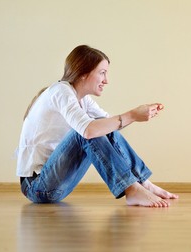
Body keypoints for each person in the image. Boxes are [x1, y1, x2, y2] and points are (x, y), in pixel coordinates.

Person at [16, 45, 178, 207]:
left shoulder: (82, 99)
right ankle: (132, 189)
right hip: (37, 187)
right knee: (87, 131)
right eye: (102, 73)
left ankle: (143, 183)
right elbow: (88, 131)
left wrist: (138, 115)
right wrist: (132, 115)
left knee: (103, 127)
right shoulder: (60, 91)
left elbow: (111, 126)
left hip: (53, 184)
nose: (106, 80)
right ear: (83, 74)